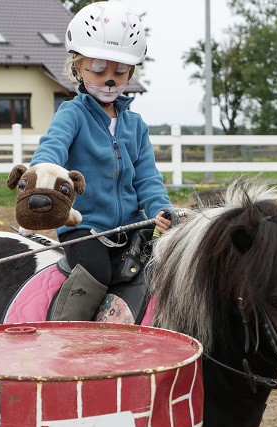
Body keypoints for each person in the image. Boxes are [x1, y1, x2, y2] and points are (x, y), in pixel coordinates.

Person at [29, 2, 173, 322]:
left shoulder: (135, 126)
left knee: (162, 276)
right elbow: (52, 147)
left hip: (134, 228)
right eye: (98, 69)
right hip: (83, 228)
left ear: (130, 73)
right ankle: (64, 334)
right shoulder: (72, 114)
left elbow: (147, 177)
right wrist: (43, 174)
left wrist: (160, 209)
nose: (109, 79)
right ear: (78, 68)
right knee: (94, 274)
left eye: (119, 72)